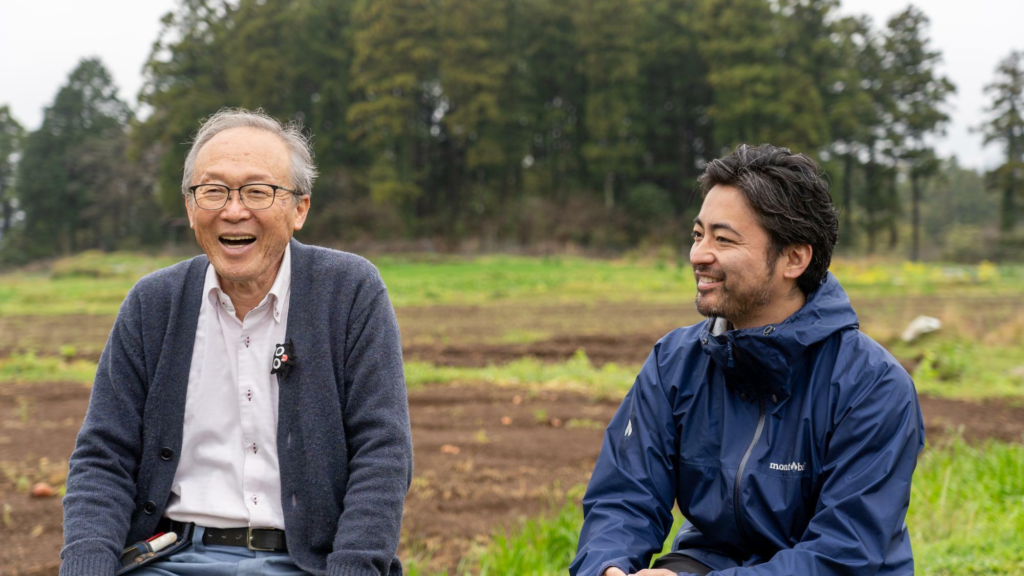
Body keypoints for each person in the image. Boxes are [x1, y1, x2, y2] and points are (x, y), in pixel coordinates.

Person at [60, 108, 413, 576]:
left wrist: (354, 567)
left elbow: (382, 452)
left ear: (299, 208)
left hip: (304, 565)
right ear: (190, 208)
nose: (233, 209)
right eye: (213, 191)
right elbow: (103, 456)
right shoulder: (153, 303)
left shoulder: (349, 291)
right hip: (167, 559)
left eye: (257, 191)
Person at [570, 144, 924, 576]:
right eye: (698, 234)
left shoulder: (872, 385)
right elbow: (623, 496)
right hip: (709, 561)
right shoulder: (673, 362)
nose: (698, 254)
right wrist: (608, 568)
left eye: (723, 239)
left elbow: (844, 552)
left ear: (794, 258)